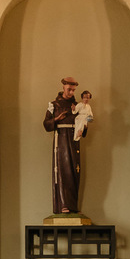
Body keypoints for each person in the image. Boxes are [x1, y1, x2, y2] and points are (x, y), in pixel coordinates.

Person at [43, 76, 87, 213]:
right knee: (63, 170)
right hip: (61, 140)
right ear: (63, 87)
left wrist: (83, 128)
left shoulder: (78, 106)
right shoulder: (54, 105)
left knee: (74, 171)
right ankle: (63, 204)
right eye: (69, 89)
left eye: (73, 90)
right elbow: (46, 124)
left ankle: (73, 206)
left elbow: (83, 122)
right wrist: (57, 119)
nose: (71, 92)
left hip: (74, 140)